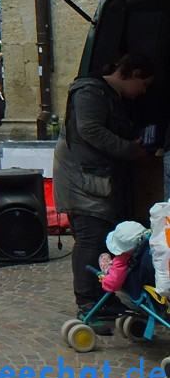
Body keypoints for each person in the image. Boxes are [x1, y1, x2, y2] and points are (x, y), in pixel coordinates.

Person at [53, 52, 155, 330]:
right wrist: (130, 149)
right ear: (132, 74)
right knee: (90, 241)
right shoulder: (90, 92)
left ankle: (103, 299)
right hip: (82, 181)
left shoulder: (108, 95)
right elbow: (90, 130)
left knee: (101, 242)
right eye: (143, 84)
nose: (143, 91)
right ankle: (89, 304)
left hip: (95, 180)